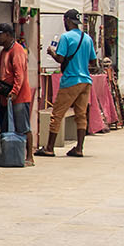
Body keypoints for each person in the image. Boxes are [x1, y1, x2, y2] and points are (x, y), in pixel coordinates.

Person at [36, 9, 97, 158]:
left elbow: (60, 59)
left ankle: (49, 147)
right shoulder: (87, 38)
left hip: (71, 80)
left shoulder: (66, 37)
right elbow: (94, 62)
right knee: (81, 115)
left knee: (57, 114)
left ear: (67, 21)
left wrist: (51, 52)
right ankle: (79, 148)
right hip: (85, 81)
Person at [0, 22, 33, 138]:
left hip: (19, 97)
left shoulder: (17, 50)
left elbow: (19, 74)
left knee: (23, 128)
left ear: (7, 35)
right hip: (6, 97)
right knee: (3, 126)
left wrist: (15, 91)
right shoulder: (4, 52)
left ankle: (29, 155)